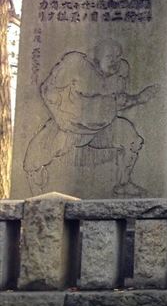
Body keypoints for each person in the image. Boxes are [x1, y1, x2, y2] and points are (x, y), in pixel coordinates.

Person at [24, 38, 158, 197]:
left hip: (103, 128)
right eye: (110, 57)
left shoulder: (122, 70)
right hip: (70, 127)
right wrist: (60, 119)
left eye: (118, 57)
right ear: (97, 56)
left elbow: (118, 101)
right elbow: (48, 90)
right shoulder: (75, 63)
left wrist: (139, 98)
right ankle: (36, 199)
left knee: (132, 140)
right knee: (33, 161)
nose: (115, 61)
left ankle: (123, 183)